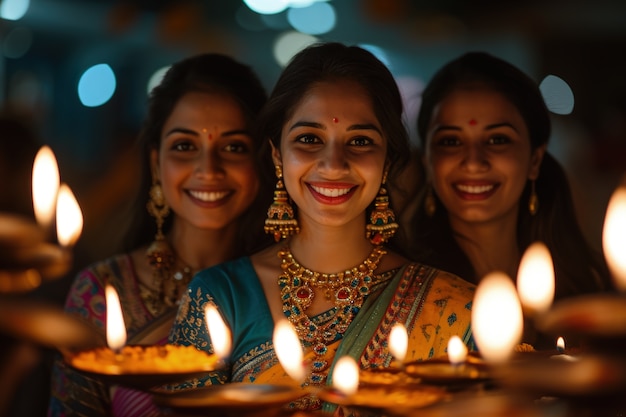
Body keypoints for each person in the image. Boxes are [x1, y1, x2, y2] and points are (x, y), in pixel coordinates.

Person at [167, 42, 476, 413]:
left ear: (388, 162)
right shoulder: (219, 298)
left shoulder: (455, 308)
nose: (334, 164)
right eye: (309, 139)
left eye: (360, 141)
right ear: (277, 155)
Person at [48, 52, 272, 416]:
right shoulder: (103, 292)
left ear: (262, 160)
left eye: (234, 147)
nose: (208, 170)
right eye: (185, 147)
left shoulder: (287, 285)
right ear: (156, 162)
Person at [407, 51, 612, 348]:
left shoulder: (583, 291)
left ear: (534, 160)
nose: (474, 162)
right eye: (450, 141)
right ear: (427, 162)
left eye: (497, 139)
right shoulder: (407, 294)